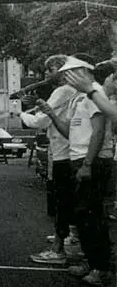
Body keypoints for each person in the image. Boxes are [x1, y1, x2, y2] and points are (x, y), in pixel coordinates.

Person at [37, 56, 114, 286]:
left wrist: (88, 164)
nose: (65, 76)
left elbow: (99, 132)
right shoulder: (79, 98)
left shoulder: (95, 93)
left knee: (92, 216)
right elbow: (69, 131)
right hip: (77, 158)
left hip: (92, 161)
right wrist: (50, 112)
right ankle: (92, 262)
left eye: (71, 72)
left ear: (83, 72)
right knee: (83, 215)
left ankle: (101, 268)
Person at [16, 55, 79, 265]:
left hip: (64, 152)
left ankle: (58, 250)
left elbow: (39, 121)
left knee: (61, 201)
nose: (45, 74)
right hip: (68, 151)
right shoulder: (72, 92)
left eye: (49, 70)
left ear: (60, 71)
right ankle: (71, 237)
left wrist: (20, 112)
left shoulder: (62, 91)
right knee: (69, 200)